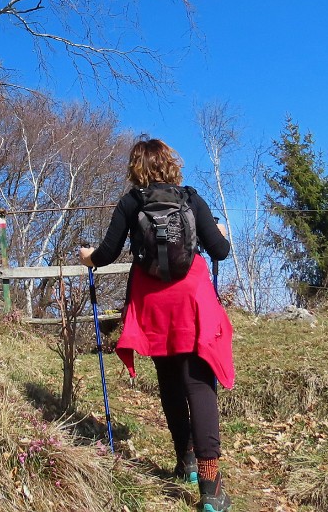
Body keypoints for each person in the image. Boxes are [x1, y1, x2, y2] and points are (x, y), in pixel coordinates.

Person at [78, 137, 235, 512]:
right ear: (170, 163)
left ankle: (186, 461)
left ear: (136, 168)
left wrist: (88, 257)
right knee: (198, 382)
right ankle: (211, 488)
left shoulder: (131, 203)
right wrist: (222, 233)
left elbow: (107, 253)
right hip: (191, 298)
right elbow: (221, 251)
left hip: (152, 302)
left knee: (168, 380)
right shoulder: (190, 199)